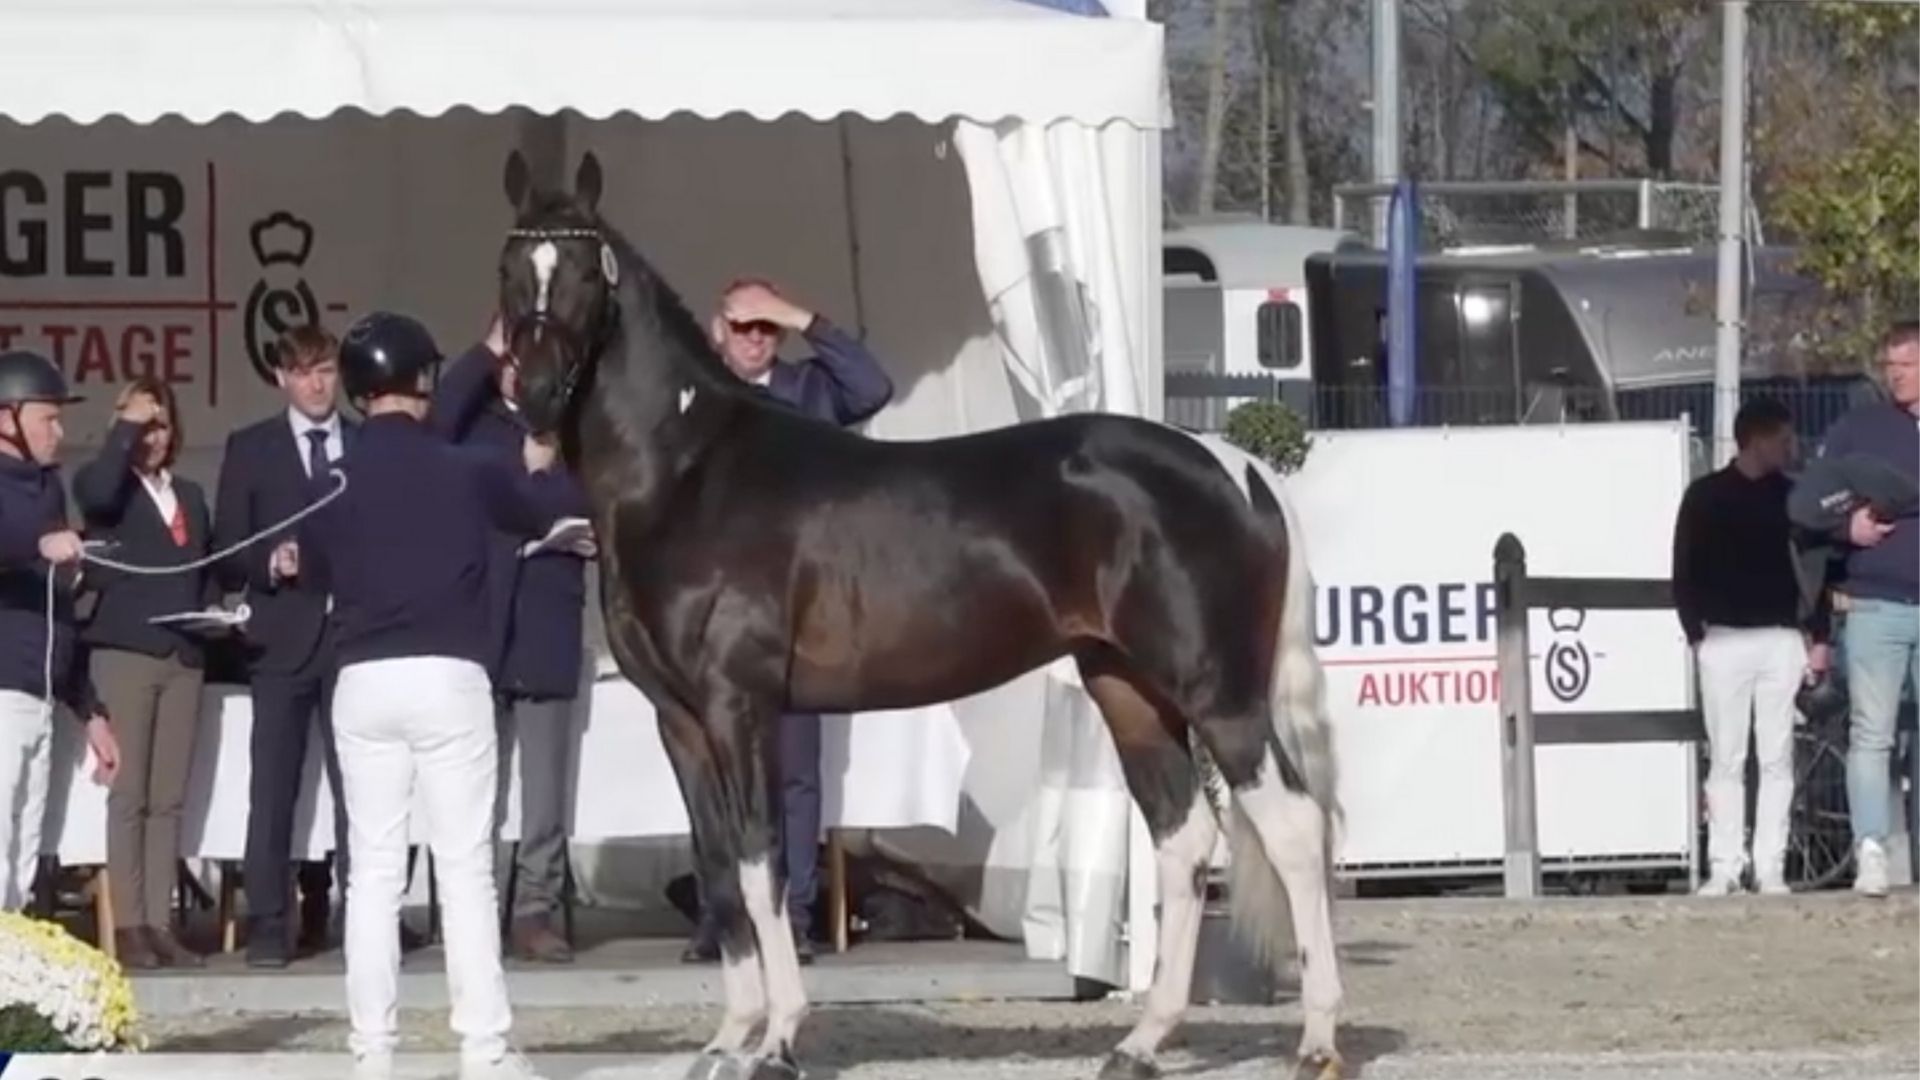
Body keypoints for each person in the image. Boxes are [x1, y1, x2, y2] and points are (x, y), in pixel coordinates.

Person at [301, 311, 570, 1080]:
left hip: (362, 680)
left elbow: (317, 570)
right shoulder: (469, 467)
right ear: (423, 380)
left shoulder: (331, 480)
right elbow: (541, 511)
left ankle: (372, 1054)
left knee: (375, 875)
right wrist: (542, 460)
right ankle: (483, 1051)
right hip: (449, 675)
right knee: (465, 870)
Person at [681, 277, 893, 964]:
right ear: (717, 333)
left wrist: (800, 315)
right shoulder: (696, 398)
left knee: (795, 773)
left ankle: (794, 913)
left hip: (798, 612)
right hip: (717, 615)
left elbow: (872, 388)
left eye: (763, 328)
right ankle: (725, 915)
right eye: (741, 327)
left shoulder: (807, 390)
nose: (753, 339)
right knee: (718, 771)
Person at [431, 316, 592, 964]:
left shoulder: (572, 434)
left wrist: (544, 474)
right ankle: (471, 907)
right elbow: (435, 421)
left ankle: (535, 908)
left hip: (549, 621)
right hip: (484, 624)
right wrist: (488, 345)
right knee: (475, 786)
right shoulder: (473, 428)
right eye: (513, 364)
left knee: (546, 792)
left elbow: (589, 504)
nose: (525, 378)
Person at [213, 324, 358, 965]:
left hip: (354, 638)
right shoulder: (252, 449)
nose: (317, 383)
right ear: (281, 379)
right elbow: (225, 551)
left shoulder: (366, 443)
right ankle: (268, 923)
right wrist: (270, 562)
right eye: (304, 373)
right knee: (272, 789)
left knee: (366, 788)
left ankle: (365, 915)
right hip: (282, 640)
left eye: (325, 370)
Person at [72, 378, 216, 967]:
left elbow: (205, 567)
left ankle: (160, 920)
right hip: (126, 651)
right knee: (128, 794)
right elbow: (98, 494)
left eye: (159, 425)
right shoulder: (109, 487)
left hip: (183, 655)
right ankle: (130, 924)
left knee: (168, 798)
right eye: (141, 426)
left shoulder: (190, 494)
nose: (152, 438)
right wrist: (124, 428)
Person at [1672, 397, 1826, 896]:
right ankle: (1726, 865)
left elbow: (1814, 570)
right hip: (1725, 637)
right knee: (1728, 757)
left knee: (1776, 756)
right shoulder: (1706, 496)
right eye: (1784, 438)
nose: (1791, 447)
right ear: (1757, 439)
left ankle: (1769, 865)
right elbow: (1684, 568)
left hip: (1779, 638)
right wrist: (1697, 631)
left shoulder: (1794, 499)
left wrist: (1814, 635)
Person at [0, 350, 120, 910]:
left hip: (40, 693)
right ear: (8, 418)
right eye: (47, 418)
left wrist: (89, 707)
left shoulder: (48, 488)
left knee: (23, 859)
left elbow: (60, 612)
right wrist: (34, 546)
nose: (59, 431)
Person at [1811, 319, 1920, 898]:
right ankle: (1871, 848)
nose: (1895, 375)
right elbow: (1809, 500)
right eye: (1890, 365)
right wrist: (1844, 525)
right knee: (1871, 733)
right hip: (1877, 603)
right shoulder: (1859, 429)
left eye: (1906, 364)